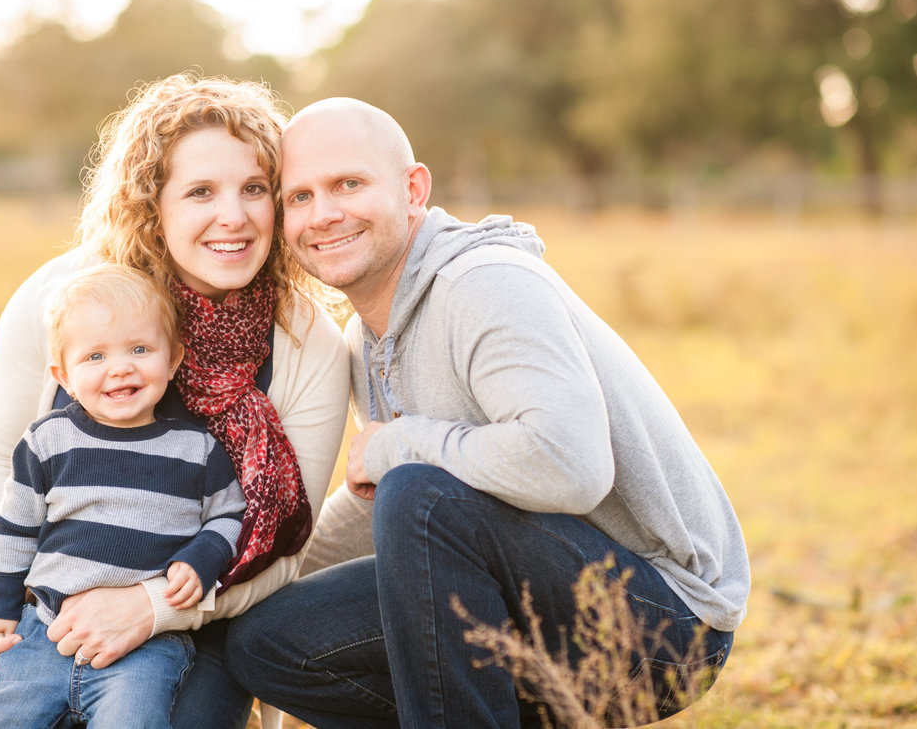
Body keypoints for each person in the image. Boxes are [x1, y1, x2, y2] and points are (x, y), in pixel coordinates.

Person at [0, 74, 350, 729]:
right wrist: (21, 592)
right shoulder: (63, 297)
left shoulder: (310, 346)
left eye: (253, 189)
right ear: (153, 203)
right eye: (200, 192)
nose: (233, 216)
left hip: (201, 616)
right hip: (36, 595)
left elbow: (287, 551)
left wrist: (150, 606)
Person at [226, 98, 751, 728]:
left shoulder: (482, 285)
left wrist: (400, 447)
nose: (325, 213)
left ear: (413, 188)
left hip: (663, 627)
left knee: (423, 497)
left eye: (348, 184)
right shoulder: (365, 338)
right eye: (300, 197)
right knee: (265, 641)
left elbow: (571, 466)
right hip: (534, 604)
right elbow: (380, 502)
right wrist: (249, 582)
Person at [0, 263, 246, 728]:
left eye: (140, 349)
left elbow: (229, 514)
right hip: (44, 630)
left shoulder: (198, 450)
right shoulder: (48, 441)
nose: (120, 367)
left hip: (144, 650)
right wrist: (0, 604)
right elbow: (15, 529)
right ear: (62, 375)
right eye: (95, 357)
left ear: (173, 359)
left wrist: (203, 555)